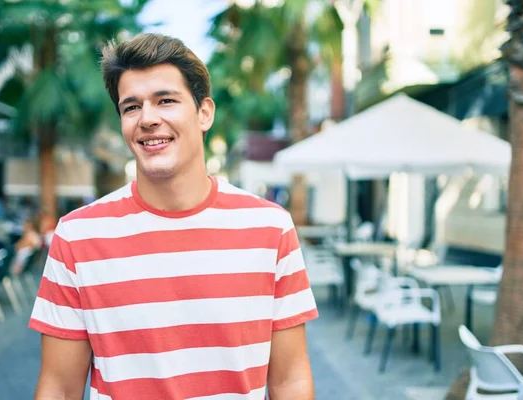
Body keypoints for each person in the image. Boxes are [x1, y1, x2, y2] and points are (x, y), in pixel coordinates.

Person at [29, 33, 318, 400]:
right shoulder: (76, 236)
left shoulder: (271, 228)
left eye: (165, 100)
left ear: (204, 113)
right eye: (131, 107)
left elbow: (290, 380)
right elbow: (59, 388)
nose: (147, 119)